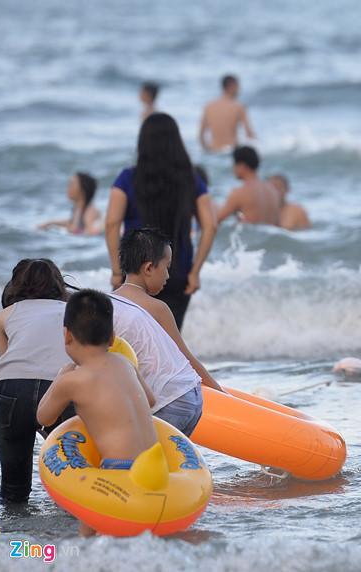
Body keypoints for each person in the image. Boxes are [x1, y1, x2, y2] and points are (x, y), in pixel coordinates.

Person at [36, 289, 157, 536]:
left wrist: (61, 377)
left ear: (67, 335)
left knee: (87, 532)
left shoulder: (72, 380)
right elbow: (151, 400)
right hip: (155, 467)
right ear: (112, 338)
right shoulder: (125, 364)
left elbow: (43, 417)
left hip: (119, 471)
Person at [106, 113, 217, 329]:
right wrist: (195, 272)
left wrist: (117, 270)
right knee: (171, 343)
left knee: (133, 342)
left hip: (137, 273)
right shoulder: (191, 179)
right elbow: (210, 225)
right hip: (177, 272)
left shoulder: (127, 178)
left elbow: (111, 223)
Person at [111, 228, 224, 434]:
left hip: (165, 399)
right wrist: (220, 392)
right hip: (185, 397)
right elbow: (185, 356)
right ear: (148, 268)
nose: (168, 275)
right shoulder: (157, 308)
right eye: (167, 267)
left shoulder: (107, 306)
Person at [0, 260, 76, 502]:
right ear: (58, 284)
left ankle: (12, 535)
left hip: (10, 390)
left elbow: (8, 361)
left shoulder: (4, 315)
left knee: (13, 486)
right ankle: (73, 534)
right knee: (71, 473)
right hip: (60, 387)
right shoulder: (72, 312)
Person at [217, 146, 281, 226]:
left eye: (234, 164)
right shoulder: (273, 191)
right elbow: (278, 225)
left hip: (249, 237)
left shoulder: (240, 193)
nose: (233, 168)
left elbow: (216, 220)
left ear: (242, 165)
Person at [199, 75, 256, 152]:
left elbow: (201, 135)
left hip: (213, 151)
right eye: (238, 86)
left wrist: (207, 150)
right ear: (232, 86)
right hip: (232, 150)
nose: (239, 90)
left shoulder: (209, 106)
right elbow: (249, 134)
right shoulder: (238, 107)